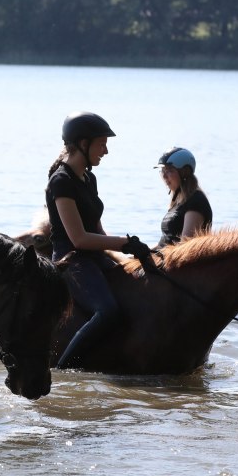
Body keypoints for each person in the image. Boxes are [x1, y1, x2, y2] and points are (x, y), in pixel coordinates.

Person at [45, 111, 152, 370]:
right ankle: (64, 370)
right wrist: (123, 243)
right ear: (83, 144)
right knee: (108, 312)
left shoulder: (88, 178)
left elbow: (99, 233)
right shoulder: (61, 182)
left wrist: (129, 256)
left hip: (94, 257)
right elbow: (79, 239)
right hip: (71, 260)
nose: (105, 151)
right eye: (102, 144)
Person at [155, 147, 213, 248]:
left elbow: (184, 247)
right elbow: (162, 244)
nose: (164, 176)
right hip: (163, 258)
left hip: (174, 261)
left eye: (168, 170)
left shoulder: (196, 201)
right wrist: (142, 252)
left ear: (184, 172)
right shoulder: (178, 203)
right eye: (162, 170)